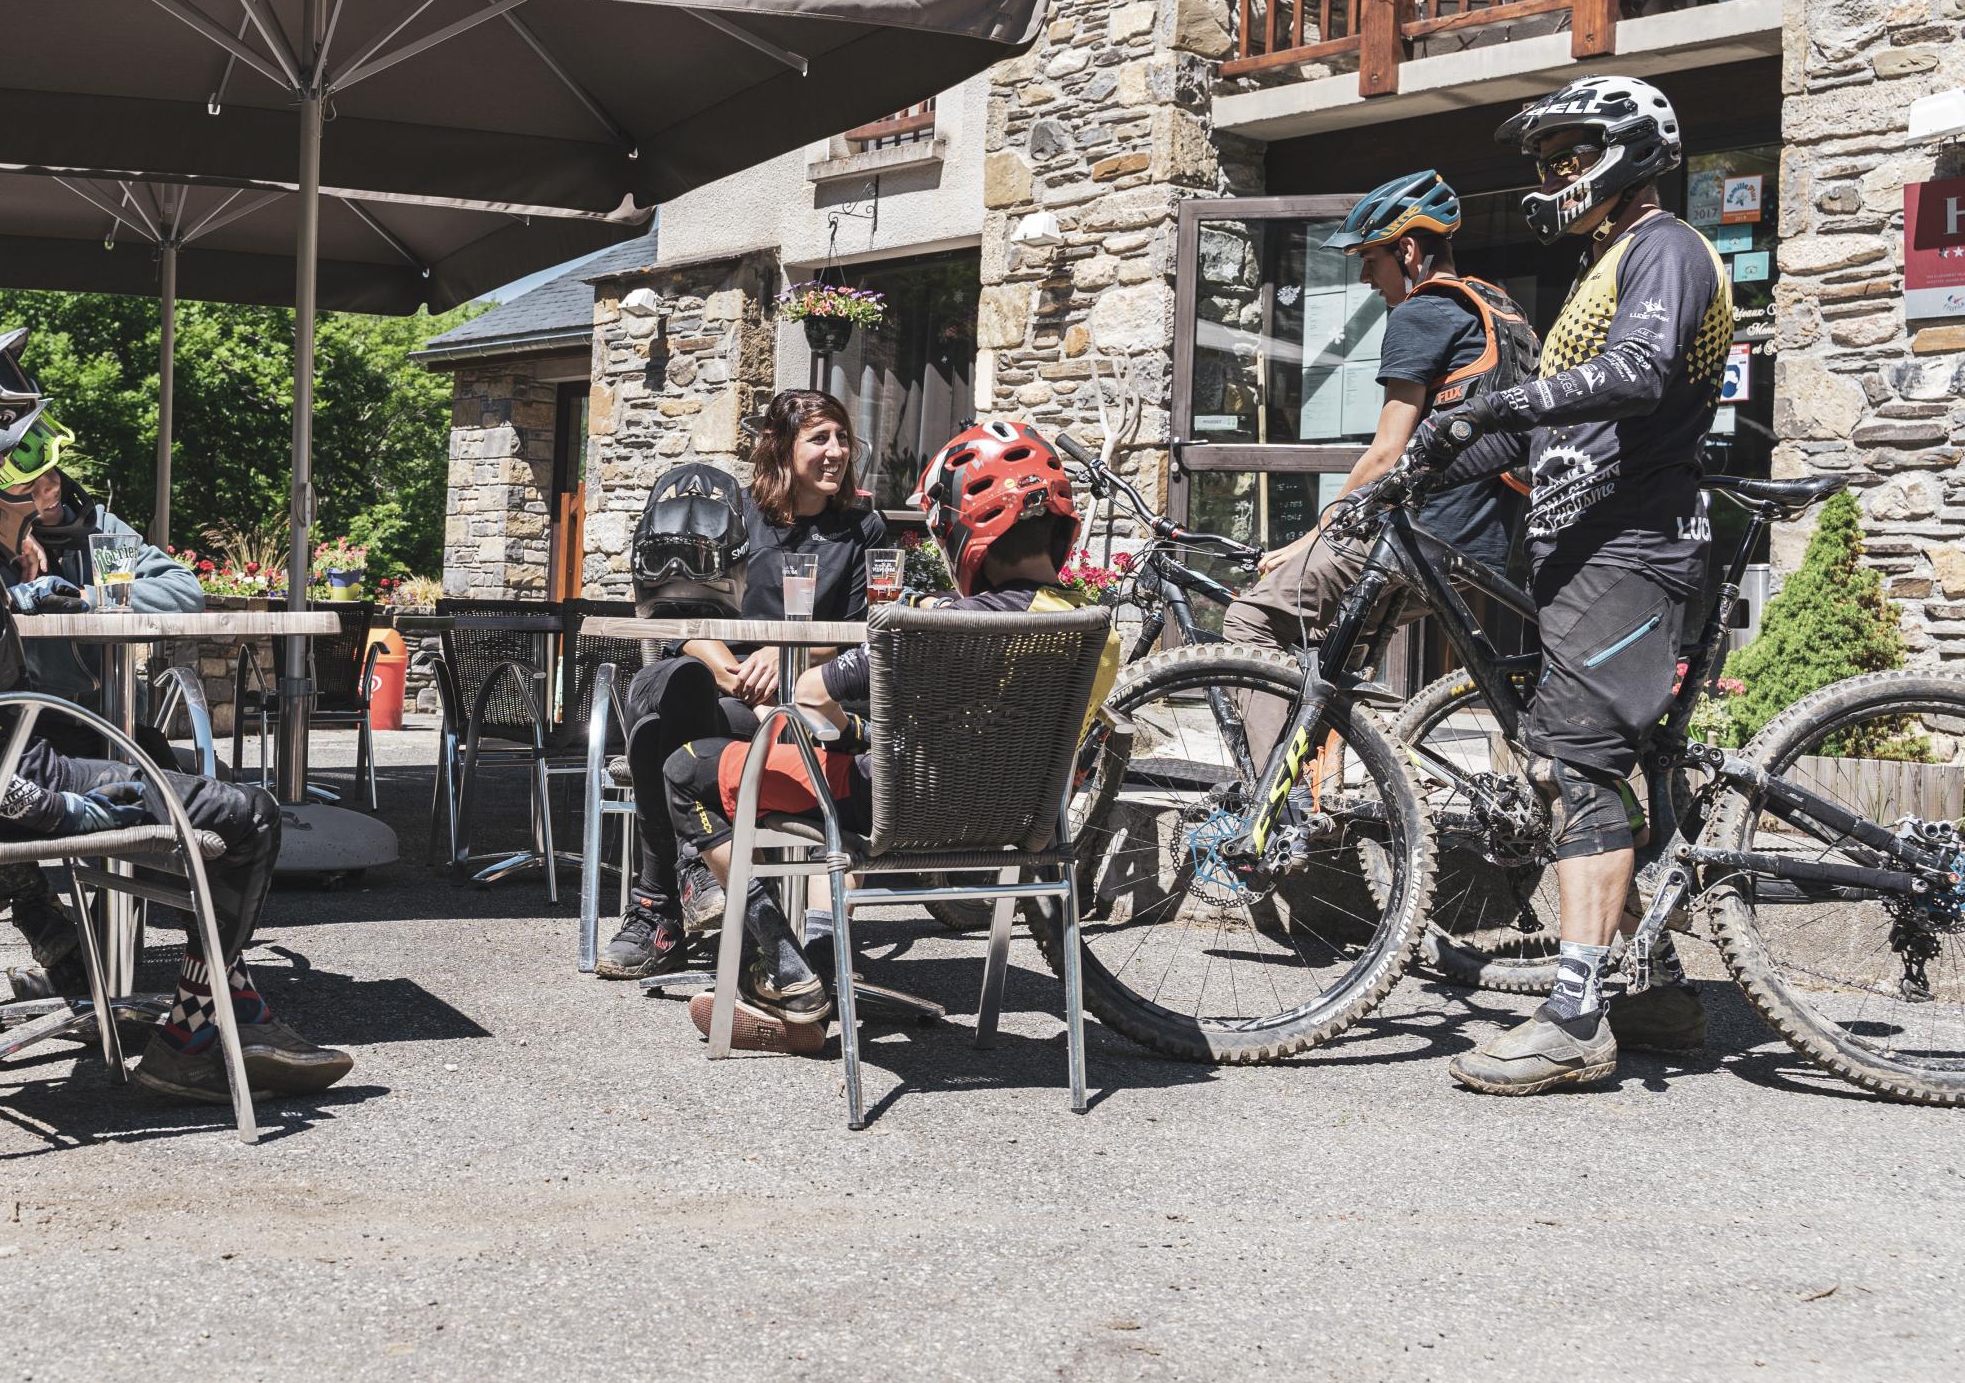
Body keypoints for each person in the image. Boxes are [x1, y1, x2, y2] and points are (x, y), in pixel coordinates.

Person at [0, 330, 350, 1107]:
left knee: (144, 750)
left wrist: (14, 599)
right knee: (251, 815)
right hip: (3, 794)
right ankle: (198, 1036)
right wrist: (59, 803)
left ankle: (127, 988)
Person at [1428, 75, 1734, 1095]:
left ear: (1630, 152)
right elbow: (1545, 423)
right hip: (1584, 553)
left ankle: (1572, 1021)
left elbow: (1639, 374)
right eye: (1546, 158)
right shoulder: (1606, 264)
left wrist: (1496, 403)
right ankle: (1653, 993)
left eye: (1572, 153)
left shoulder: (1666, 249)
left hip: (1629, 548)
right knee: (1599, 764)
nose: (1556, 174)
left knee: (1580, 771)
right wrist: (1426, 461)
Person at [663, 421, 1122, 1049]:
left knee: (689, 770)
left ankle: (789, 974)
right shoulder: (1096, 635)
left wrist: (849, 725)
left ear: (964, 531)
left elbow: (810, 692)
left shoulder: (928, 628)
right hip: (1016, 826)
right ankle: (816, 974)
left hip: (894, 810)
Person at [1221, 169, 1534, 769]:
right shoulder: (1496, 307)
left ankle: (1271, 804)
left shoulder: (1422, 312)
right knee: (1338, 656)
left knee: (1253, 617)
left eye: (1370, 259)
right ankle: (1333, 789)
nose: (1365, 278)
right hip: (1478, 550)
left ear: (1408, 250)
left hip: (1420, 539)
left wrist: (1315, 535)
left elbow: (1387, 449)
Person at [594, 390, 891, 980]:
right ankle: (685, 886)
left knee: (658, 736)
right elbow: (679, 614)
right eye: (820, 439)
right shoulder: (734, 514)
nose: (836, 452)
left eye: (841, 439)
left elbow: (866, 632)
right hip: (724, 692)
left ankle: (658, 908)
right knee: (666, 686)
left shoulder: (862, 528)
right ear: (780, 447)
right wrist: (725, 665)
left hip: (813, 700)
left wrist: (787, 656)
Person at [0, 413, 204, 765]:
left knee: (211, 775)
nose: (51, 489)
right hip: (30, 731)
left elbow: (186, 591)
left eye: (52, 473)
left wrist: (89, 598)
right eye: (31, 487)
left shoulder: (100, 528)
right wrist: (5, 533)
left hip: (114, 721)